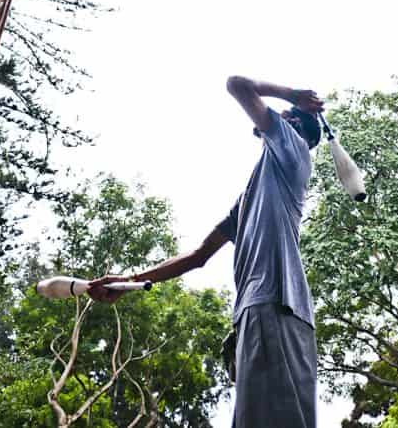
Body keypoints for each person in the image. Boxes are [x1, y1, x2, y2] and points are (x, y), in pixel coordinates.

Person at [87, 75, 324, 427]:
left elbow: (237, 85)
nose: (273, 117)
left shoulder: (293, 149)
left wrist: (292, 94)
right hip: (263, 311)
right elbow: (198, 257)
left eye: (284, 115)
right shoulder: (249, 196)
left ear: (292, 126)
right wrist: (129, 282)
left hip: (274, 304)